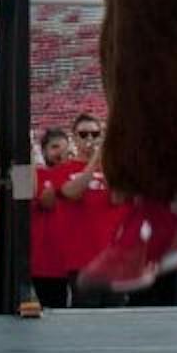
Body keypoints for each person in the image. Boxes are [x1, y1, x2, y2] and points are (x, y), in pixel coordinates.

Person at [58, 113, 121, 307]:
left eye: (95, 134)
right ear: (74, 138)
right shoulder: (64, 168)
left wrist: (108, 164)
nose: (90, 139)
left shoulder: (110, 170)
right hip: (81, 261)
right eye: (84, 134)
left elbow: (119, 198)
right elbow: (72, 193)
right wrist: (93, 162)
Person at [30, 128, 71, 308]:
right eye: (54, 147)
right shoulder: (37, 176)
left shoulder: (77, 175)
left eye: (64, 148)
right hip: (46, 262)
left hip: (73, 259)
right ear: (44, 151)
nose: (60, 152)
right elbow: (46, 202)